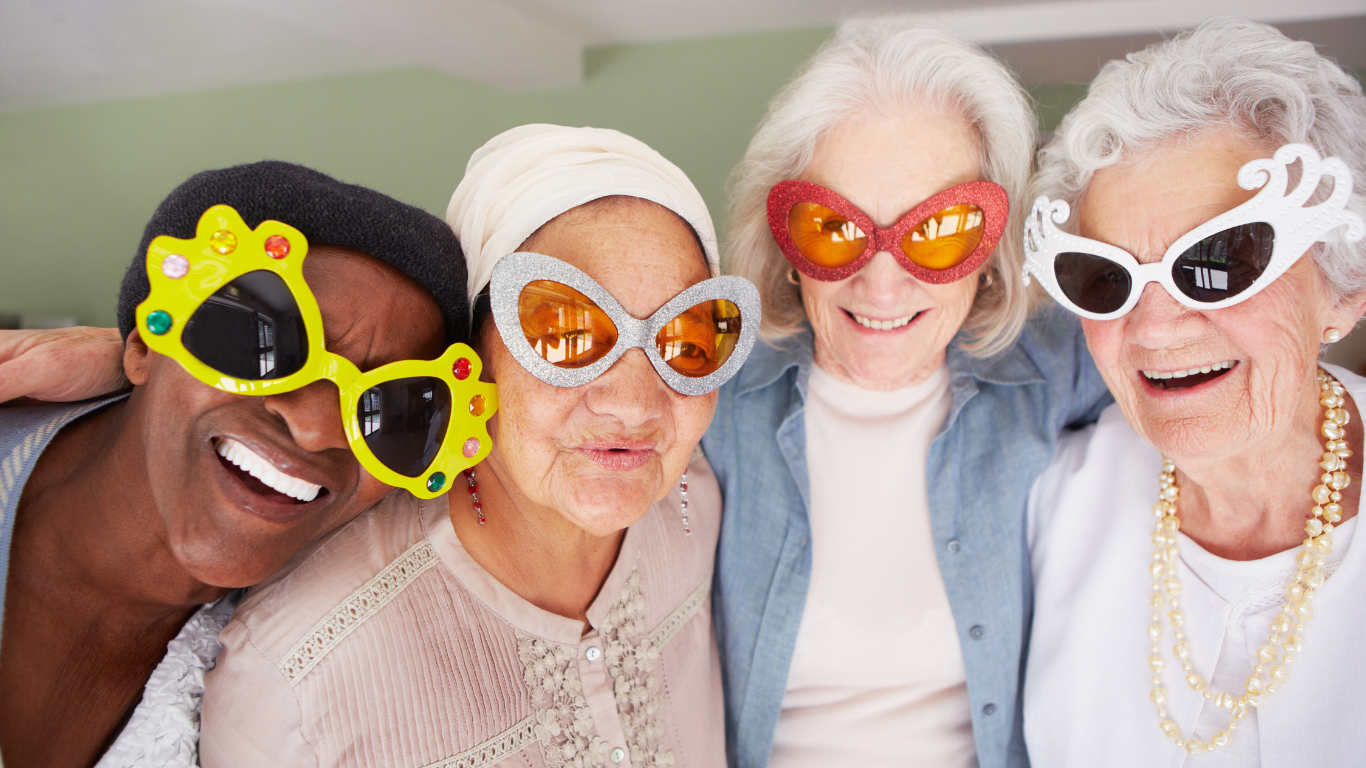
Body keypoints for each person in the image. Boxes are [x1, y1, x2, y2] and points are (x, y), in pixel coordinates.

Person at [198, 125, 760, 768]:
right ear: (473, 353)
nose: (635, 403)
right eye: (564, 331)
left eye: (686, 337)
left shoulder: (702, 507)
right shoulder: (294, 676)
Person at [702, 16, 1110, 768]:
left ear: (992, 251)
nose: (882, 283)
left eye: (941, 229)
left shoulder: (1055, 376)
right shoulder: (712, 403)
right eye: (832, 229)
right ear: (783, 244)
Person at [0, 160, 486, 768]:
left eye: (395, 410)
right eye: (264, 338)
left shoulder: (295, 665)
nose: (316, 429)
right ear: (147, 342)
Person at [1023, 19, 1366, 765]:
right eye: (1104, 278)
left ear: (1344, 285)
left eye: (1218, 261)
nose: (1154, 325)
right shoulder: (1048, 500)